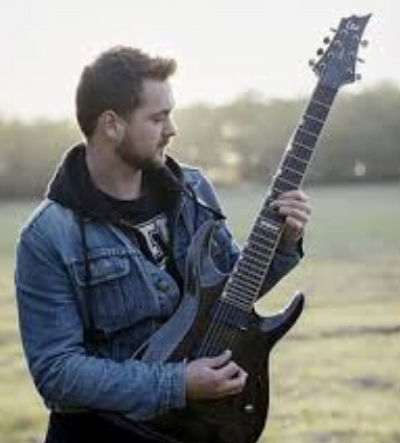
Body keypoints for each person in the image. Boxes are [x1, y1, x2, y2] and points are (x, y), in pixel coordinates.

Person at [15, 46, 311, 443]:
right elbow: (57, 373)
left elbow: (233, 298)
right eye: (158, 118)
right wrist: (178, 383)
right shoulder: (48, 235)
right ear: (111, 125)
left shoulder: (194, 190)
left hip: (201, 429)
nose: (172, 130)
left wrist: (284, 242)